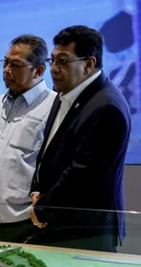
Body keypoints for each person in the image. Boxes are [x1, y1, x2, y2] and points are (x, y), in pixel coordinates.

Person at [30, 26, 131, 252]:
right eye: (53, 60)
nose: (54, 69)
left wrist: (43, 207)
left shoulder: (106, 107)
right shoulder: (65, 92)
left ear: (89, 64)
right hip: (58, 224)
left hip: (86, 232)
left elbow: (82, 176)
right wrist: (36, 192)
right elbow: (48, 152)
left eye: (63, 61)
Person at [0, 35, 57, 243]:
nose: (6, 70)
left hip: (24, 220)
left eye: (16, 65)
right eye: (6, 62)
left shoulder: (54, 106)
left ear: (38, 70)